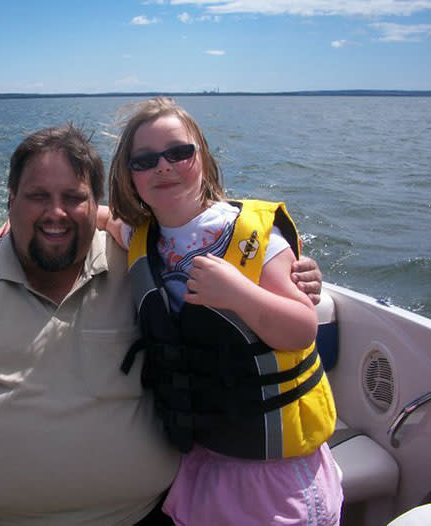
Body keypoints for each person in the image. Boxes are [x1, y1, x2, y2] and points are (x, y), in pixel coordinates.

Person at [0, 124, 324, 526]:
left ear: (96, 206)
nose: (57, 213)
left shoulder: (146, 267)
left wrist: (288, 272)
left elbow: (220, 253)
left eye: (74, 198)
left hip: (145, 514)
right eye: (37, 197)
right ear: (10, 202)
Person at [101, 97, 343, 525]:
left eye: (179, 152)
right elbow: (108, 220)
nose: (164, 166)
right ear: (128, 176)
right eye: (145, 159)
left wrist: (239, 294)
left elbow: (301, 329)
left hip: (275, 474)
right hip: (202, 460)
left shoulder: (253, 237)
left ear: (203, 158)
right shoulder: (142, 238)